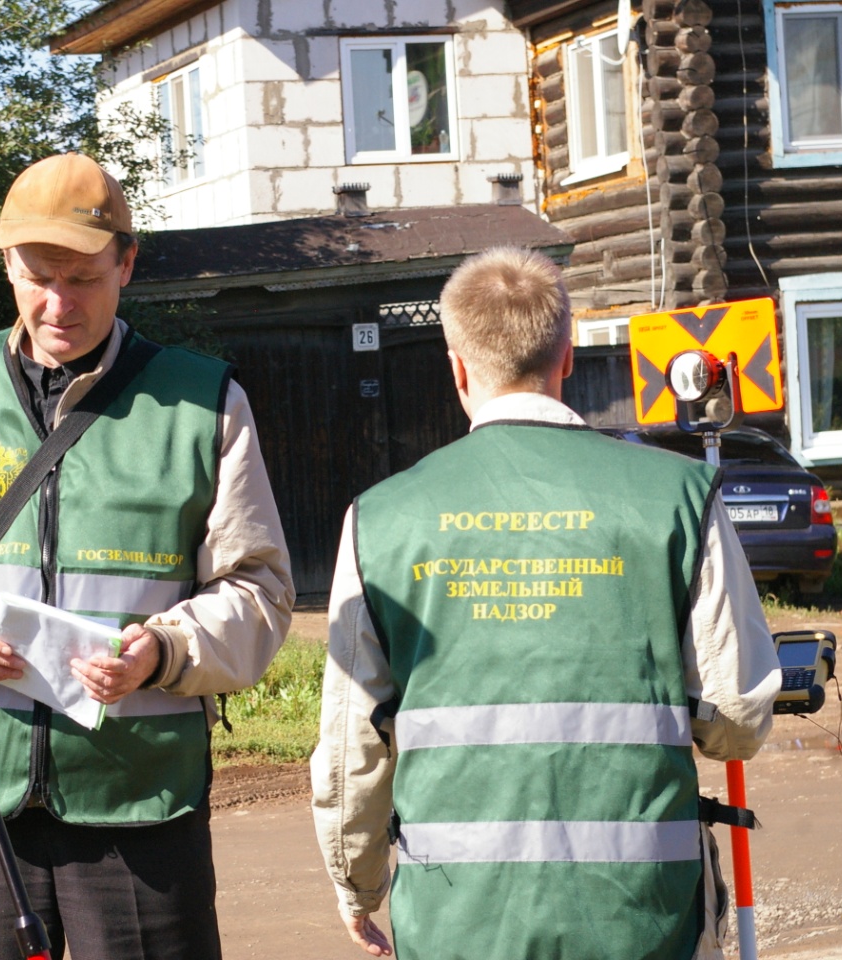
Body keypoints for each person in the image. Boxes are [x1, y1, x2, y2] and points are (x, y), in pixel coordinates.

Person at [0, 152, 294, 960]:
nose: (59, 304)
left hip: (139, 798)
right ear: (5, 263)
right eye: (38, 276)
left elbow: (260, 590)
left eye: (85, 278)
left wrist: (162, 650)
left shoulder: (204, 403)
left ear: (127, 263)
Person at [310, 247, 780, 960]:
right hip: (641, 920)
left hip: (459, 925)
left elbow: (353, 748)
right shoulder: (681, 498)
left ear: (458, 366)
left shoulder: (379, 519)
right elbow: (737, 719)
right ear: (566, 356)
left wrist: (359, 884)